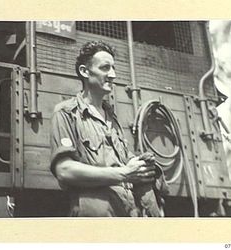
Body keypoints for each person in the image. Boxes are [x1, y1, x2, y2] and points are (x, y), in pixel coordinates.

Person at [50, 40, 159, 217]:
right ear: (85, 71)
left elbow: (124, 165)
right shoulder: (66, 113)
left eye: (113, 68)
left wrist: (139, 166)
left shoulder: (111, 117)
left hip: (127, 213)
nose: (113, 75)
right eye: (105, 68)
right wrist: (125, 173)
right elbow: (64, 170)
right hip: (96, 217)